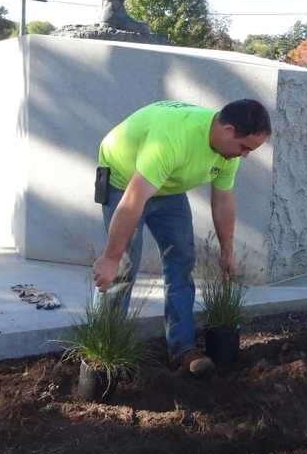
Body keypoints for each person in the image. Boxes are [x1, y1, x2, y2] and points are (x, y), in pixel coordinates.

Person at [93, 99, 271, 376]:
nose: (245, 155)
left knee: (182, 260)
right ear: (227, 130)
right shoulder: (173, 140)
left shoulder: (227, 153)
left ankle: (182, 348)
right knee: (123, 267)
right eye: (245, 147)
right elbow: (132, 200)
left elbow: (223, 200)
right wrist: (109, 257)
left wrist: (227, 251)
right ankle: (105, 350)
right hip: (123, 178)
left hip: (168, 187)